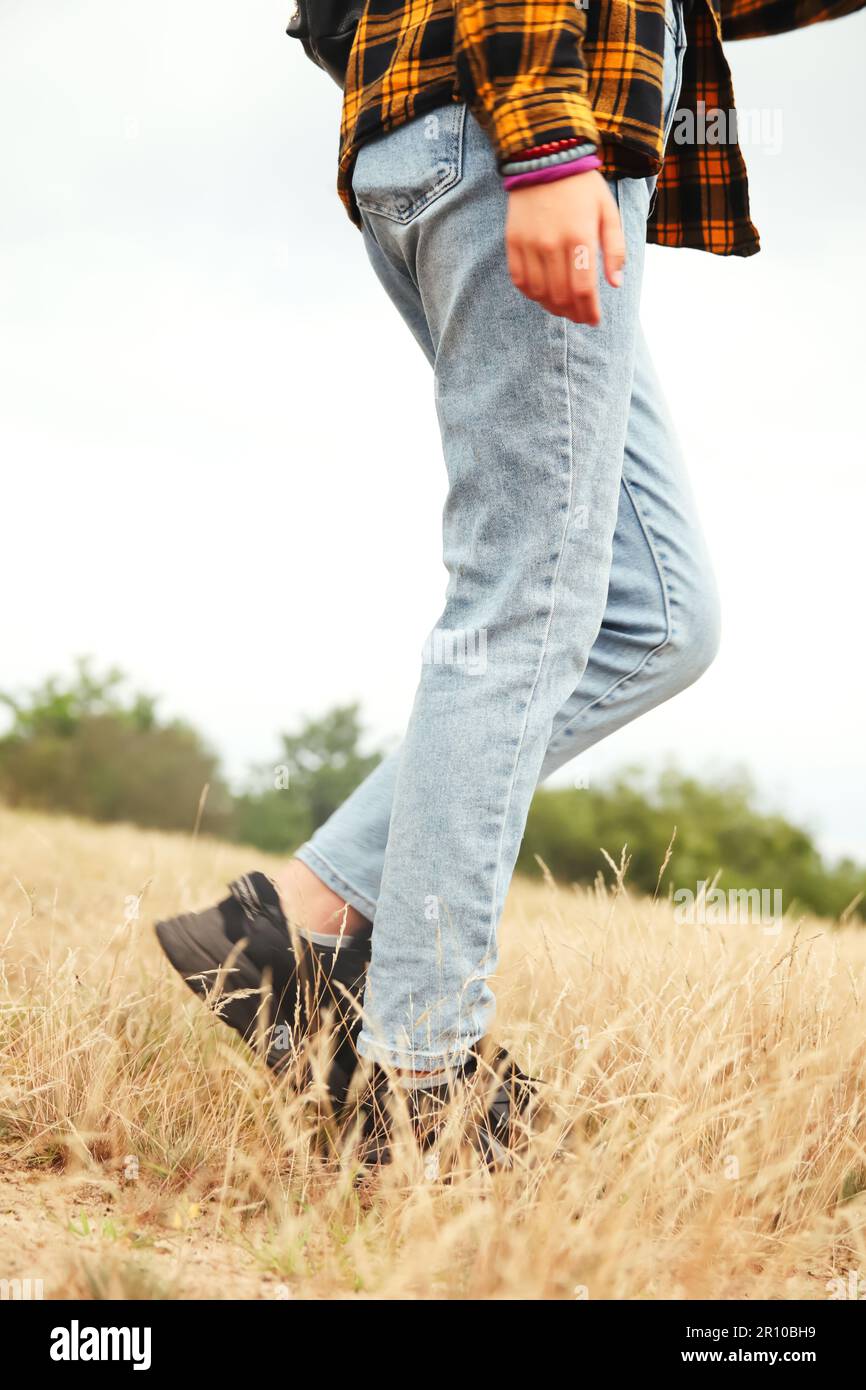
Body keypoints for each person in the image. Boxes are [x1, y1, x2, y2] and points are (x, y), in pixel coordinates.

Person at [156, 0, 865, 1167]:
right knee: (522, 597)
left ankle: (295, 922)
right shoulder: (533, 125)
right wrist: (543, 140)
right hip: (517, 119)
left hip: (482, 123)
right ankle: (417, 1079)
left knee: (657, 613)